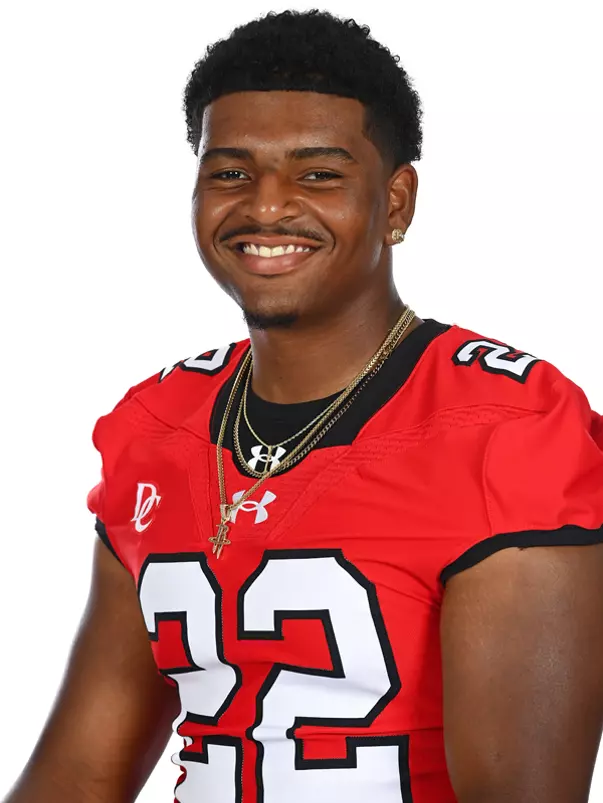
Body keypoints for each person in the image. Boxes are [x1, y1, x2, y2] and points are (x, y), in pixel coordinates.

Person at [5, 9, 603, 803]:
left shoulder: (507, 428)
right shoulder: (157, 423)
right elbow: (77, 777)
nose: (265, 206)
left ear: (395, 202)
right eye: (230, 172)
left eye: (316, 173)